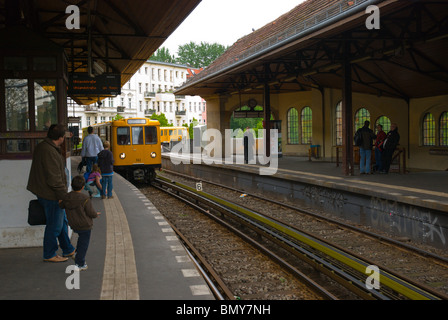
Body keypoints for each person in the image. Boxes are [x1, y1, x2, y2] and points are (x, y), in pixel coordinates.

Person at [27, 124, 75, 262]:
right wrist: (62, 197)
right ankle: (49, 254)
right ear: (60, 138)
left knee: (61, 221)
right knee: (54, 225)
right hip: (51, 194)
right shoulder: (49, 151)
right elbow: (54, 178)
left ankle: (68, 249)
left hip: (46, 191)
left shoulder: (44, 146)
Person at [59, 175, 100, 271]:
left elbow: (61, 205)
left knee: (81, 241)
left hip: (73, 224)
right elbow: (90, 212)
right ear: (82, 187)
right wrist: (95, 215)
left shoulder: (67, 197)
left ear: (72, 185)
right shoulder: (85, 198)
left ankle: (77, 254)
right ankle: (80, 263)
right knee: (83, 244)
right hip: (85, 225)